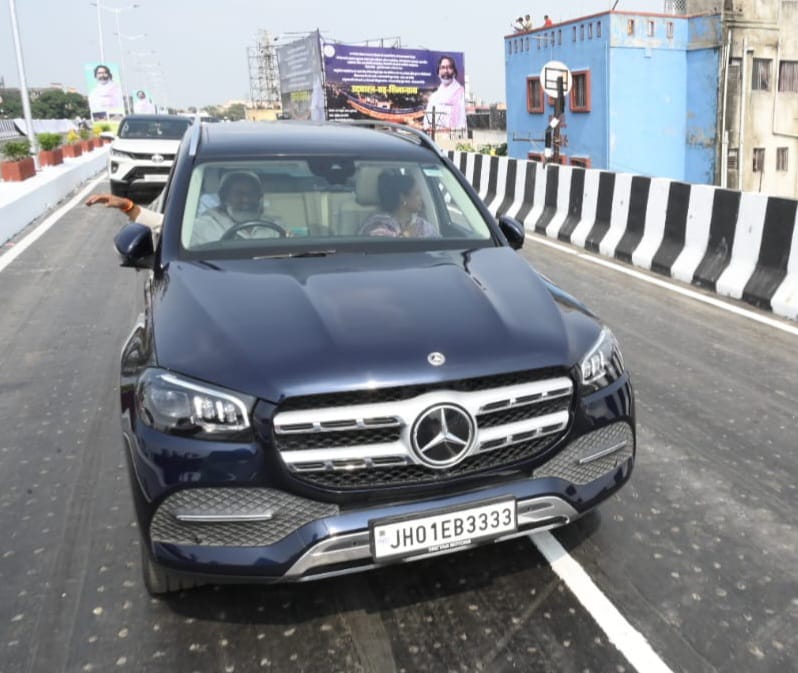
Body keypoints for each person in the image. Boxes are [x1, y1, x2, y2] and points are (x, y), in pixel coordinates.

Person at [359, 171, 438, 238]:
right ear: (402, 197)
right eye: (417, 193)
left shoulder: (423, 226)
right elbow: (379, 248)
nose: (421, 198)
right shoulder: (377, 224)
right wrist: (406, 235)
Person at [423, 55, 467, 132]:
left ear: (454, 71)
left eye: (449, 67)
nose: (446, 71)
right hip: (435, 137)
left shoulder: (462, 94)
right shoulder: (434, 97)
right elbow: (426, 122)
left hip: (455, 136)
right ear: (438, 72)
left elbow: (464, 123)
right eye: (443, 67)